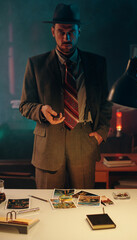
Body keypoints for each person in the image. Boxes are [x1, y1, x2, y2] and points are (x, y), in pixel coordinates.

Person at [19, 3, 112, 189]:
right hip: (48, 147)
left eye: (71, 31)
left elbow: (105, 103)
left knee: (82, 206)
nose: (66, 37)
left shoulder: (97, 64)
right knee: (48, 207)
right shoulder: (36, 64)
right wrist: (41, 110)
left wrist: (101, 134)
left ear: (79, 31)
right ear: (52, 31)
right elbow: (25, 105)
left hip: (84, 141)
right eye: (61, 31)